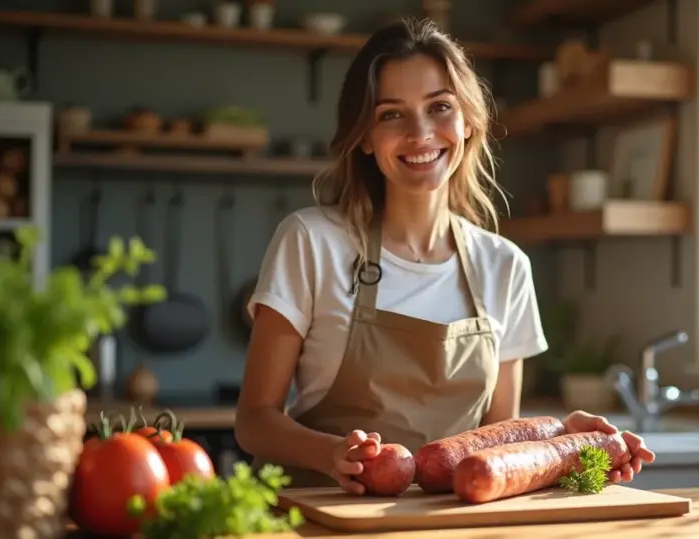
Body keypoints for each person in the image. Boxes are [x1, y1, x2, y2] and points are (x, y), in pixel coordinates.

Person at [234, 17, 655, 494]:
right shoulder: (311, 242)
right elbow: (254, 421)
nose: (420, 132)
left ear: (469, 122)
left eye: (440, 107)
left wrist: (560, 437)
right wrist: (332, 456)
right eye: (392, 114)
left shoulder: (505, 267)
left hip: (451, 524)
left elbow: (499, 446)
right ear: (365, 137)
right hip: (322, 514)